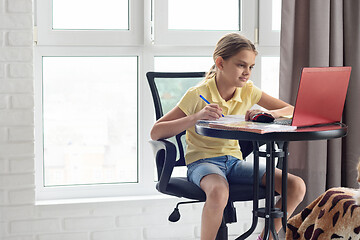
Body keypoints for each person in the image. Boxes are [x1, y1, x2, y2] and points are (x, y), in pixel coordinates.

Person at [150, 33, 306, 240]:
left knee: (296, 186)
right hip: (202, 163)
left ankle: (265, 237)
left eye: (251, 67)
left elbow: (292, 109)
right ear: (220, 63)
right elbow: (156, 131)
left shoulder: (249, 91)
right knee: (218, 192)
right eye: (241, 65)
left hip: (235, 163)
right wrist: (196, 117)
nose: (247, 73)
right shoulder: (197, 94)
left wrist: (271, 114)